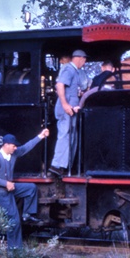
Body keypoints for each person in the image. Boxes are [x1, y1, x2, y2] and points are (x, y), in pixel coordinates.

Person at [0, 129, 50, 249]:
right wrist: (6, 183)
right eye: (13, 146)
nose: (15, 148)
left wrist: (40, 136)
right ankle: (14, 251)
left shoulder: (12, 153)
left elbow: (26, 147)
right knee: (13, 220)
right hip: (1, 193)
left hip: (10, 189)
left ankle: (27, 214)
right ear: (6, 145)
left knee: (31, 188)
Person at [49, 49, 88, 177]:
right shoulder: (68, 69)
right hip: (66, 109)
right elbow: (60, 85)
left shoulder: (75, 72)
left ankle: (65, 166)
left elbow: (71, 89)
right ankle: (56, 165)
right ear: (80, 58)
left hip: (72, 109)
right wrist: (65, 104)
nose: (85, 62)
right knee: (65, 135)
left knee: (72, 136)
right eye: (84, 60)